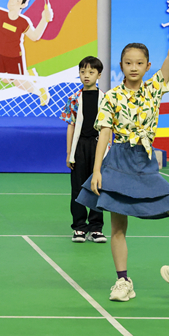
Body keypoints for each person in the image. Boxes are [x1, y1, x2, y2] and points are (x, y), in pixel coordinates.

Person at [76, 0, 169, 304]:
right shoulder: (112, 97)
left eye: (139, 63)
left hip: (145, 163)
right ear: (121, 66)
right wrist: (97, 170)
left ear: (147, 66)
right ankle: (122, 281)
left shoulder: (154, 89)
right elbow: (104, 133)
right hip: (118, 161)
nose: (133, 67)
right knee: (118, 226)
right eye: (128, 62)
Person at [60, 56, 107, 243]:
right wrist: (69, 153)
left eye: (91, 72)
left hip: (98, 146)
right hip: (79, 147)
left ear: (99, 75)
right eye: (82, 72)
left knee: (97, 187)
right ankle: (79, 227)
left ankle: (96, 228)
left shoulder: (106, 99)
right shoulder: (73, 99)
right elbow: (70, 126)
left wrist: (107, 151)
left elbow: (108, 128)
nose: (86, 75)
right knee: (77, 188)